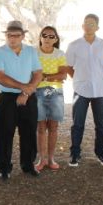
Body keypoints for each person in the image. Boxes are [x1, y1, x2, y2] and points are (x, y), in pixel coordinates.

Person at [0, 20, 42, 180]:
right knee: (4, 133)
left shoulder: (31, 51)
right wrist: (23, 87)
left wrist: (26, 92)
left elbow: (38, 73)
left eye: (16, 35)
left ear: (23, 36)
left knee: (29, 132)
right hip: (7, 98)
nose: (12, 38)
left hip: (28, 97)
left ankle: (28, 165)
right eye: (9, 35)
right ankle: (4, 168)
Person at [66, 14, 103, 167]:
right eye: (86, 23)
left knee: (101, 125)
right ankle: (75, 154)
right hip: (80, 91)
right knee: (77, 124)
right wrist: (80, 79)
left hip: (100, 91)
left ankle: (101, 153)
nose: (88, 26)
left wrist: (98, 78)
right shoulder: (74, 45)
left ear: (97, 27)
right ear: (82, 26)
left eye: (92, 24)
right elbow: (69, 67)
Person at [34, 26, 67, 171]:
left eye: (51, 36)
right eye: (44, 35)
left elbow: (63, 75)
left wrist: (45, 76)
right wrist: (53, 76)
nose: (47, 38)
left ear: (56, 39)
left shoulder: (60, 54)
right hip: (37, 91)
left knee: (53, 127)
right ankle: (42, 159)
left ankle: (51, 159)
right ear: (40, 37)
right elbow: (31, 73)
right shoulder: (33, 53)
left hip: (54, 91)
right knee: (41, 127)